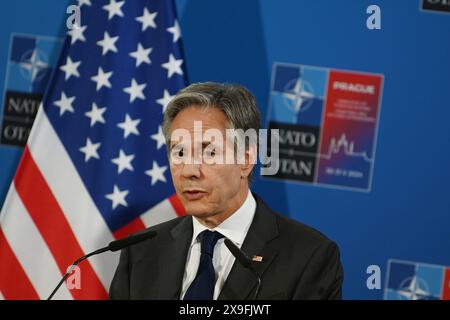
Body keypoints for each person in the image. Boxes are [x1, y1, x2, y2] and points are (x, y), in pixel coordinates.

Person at [109, 82, 344, 300]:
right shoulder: (139, 253)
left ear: (246, 158)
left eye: (209, 153)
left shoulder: (309, 257)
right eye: (179, 153)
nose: (190, 170)